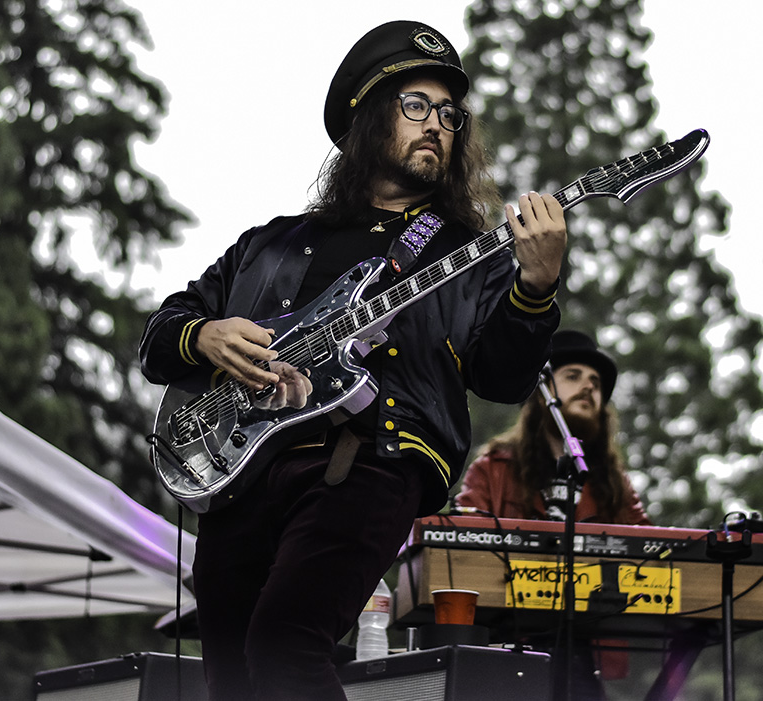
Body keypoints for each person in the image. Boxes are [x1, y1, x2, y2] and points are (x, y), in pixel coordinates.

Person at [139, 20, 567, 701]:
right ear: (369, 119)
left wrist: (536, 291)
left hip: (372, 458)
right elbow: (159, 337)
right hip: (240, 471)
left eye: (451, 114)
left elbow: (502, 378)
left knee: (284, 645)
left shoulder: (466, 252)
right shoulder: (270, 244)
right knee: (233, 678)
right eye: (417, 106)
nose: (438, 125)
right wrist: (207, 337)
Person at [456, 328, 649, 525]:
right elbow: (459, 539)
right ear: (542, 394)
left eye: (596, 383)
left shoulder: (615, 482)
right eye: (573, 376)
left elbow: (650, 546)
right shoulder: (493, 469)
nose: (588, 387)